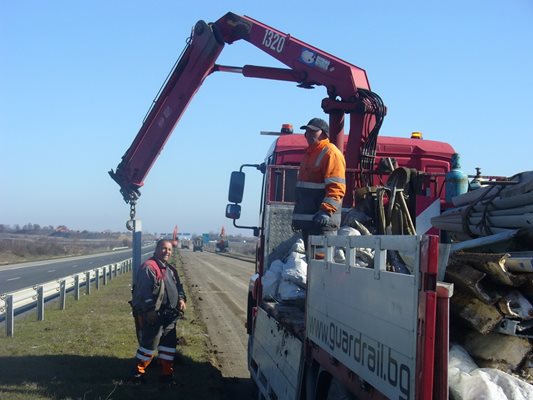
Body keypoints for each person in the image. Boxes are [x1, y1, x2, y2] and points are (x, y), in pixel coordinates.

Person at [128, 239, 187, 384]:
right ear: (156, 249)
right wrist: (150, 310)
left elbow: (179, 287)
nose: (167, 252)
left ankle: (166, 374)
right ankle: (137, 374)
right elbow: (144, 292)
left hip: (169, 315)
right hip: (154, 314)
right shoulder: (149, 267)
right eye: (164, 248)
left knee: (168, 346)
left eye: (169, 250)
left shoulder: (171, 269)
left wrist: (181, 299)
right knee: (149, 345)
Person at [291, 117, 346, 248]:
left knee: (321, 264)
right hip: (310, 223)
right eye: (307, 131)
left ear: (324, 133)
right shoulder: (309, 155)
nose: (308, 134)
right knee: (314, 264)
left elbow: (337, 187)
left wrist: (326, 211)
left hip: (322, 224)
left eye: (313, 131)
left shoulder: (330, 153)